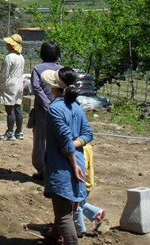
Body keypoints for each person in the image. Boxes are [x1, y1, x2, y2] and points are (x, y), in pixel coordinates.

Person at [41, 67, 93, 245]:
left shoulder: (54, 109)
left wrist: (70, 151)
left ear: (54, 86)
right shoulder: (76, 108)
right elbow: (88, 134)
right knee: (66, 205)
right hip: (77, 162)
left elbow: (64, 138)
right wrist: (75, 145)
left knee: (64, 214)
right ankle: (55, 234)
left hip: (63, 167)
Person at [30, 42, 62, 179]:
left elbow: (36, 88)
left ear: (41, 54)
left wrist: (47, 104)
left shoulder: (37, 69)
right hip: (60, 110)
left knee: (40, 140)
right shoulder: (62, 69)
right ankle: (55, 170)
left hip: (42, 111)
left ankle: (42, 170)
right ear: (58, 55)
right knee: (57, 140)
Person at [73, 143, 106, 238]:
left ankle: (79, 230)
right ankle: (96, 212)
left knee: (76, 207)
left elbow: (81, 166)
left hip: (81, 182)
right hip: (87, 182)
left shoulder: (80, 149)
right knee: (80, 203)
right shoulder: (87, 146)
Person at [0, 34, 25, 141]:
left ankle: (10, 133)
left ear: (12, 45)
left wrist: (2, 84)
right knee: (18, 108)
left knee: (10, 110)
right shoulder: (21, 57)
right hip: (19, 83)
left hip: (10, 84)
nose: (7, 44)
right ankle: (19, 132)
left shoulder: (9, 57)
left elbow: (5, 74)